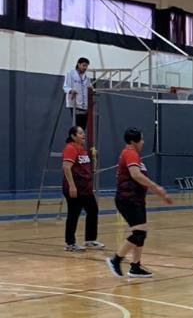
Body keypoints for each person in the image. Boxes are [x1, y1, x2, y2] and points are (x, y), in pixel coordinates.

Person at [106, 128, 172, 281]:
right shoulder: (130, 153)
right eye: (141, 139)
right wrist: (158, 189)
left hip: (136, 199)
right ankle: (116, 259)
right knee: (139, 233)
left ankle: (135, 267)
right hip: (127, 199)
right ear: (134, 141)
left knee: (141, 234)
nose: (143, 142)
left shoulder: (134, 155)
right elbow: (136, 175)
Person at [61, 124, 104, 253]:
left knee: (93, 210)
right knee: (73, 214)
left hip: (85, 189)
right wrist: (72, 186)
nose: (83, 135)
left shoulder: (82, 149)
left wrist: (94, 159)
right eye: (80, 133)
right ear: (73, 136)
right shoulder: (70, 148)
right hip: (76, 189)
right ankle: (70, 243)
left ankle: (90, 240)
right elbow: (66, 167)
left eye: (83, 132)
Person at [63, 57, 91, 130]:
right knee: (77, 127)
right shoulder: (71, 74)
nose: (85, 68)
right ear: (78, 64)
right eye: (84, 65)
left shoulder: (86, 77)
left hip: (84, 105)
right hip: (75, 104)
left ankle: (81, 141)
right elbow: (65, 87)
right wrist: (71, 90)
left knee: (83, 128)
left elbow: (89, 87)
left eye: (86, 66)